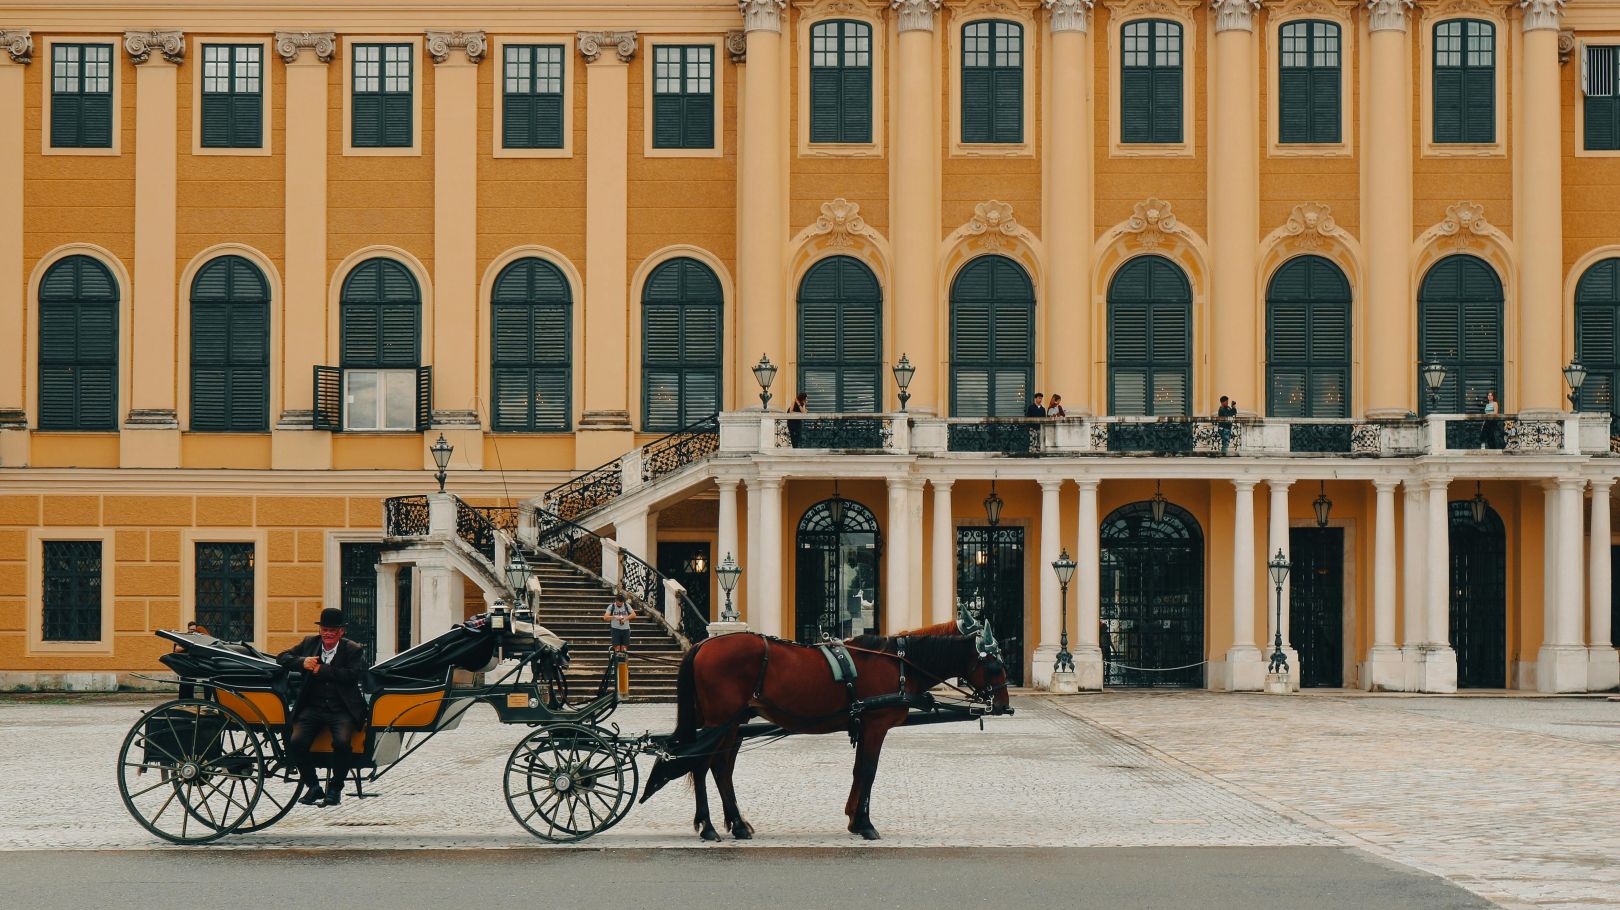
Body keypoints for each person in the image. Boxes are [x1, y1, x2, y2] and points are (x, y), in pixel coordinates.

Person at [276, 607, 367, 808]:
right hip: (312, 707)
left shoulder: (353, 649)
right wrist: (302, 662)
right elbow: (282, 658)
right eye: (324, 629)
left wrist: (321, 669)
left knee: (343, 743)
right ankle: (313, 785)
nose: (327, 634)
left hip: (342, 708)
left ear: (341, 632)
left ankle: (335, 788)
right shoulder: (310, 643)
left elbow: (354, 674)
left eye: (332, 631)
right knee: (296, 741)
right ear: (320, 630)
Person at [175, 621, 209, 700]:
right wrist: (190, 645)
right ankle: (182, 701)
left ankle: (190, 701)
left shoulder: (198, 637)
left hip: (193, 664)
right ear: (188, 629)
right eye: (191, 629)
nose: (192, 631)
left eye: (194, 630)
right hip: (184, 664)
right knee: (184, 683)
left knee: (191, 683)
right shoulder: (184, 637)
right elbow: (177, 649)